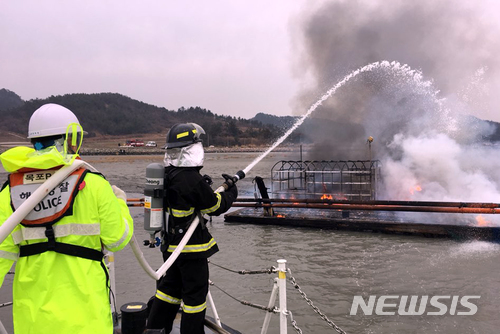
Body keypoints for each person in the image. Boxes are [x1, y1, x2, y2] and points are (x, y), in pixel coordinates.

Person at [0, 103, 134, 333]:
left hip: (33, 321)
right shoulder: (92, 183)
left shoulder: (10, 191)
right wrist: (120, 203)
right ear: (71, 139)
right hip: (87, 318)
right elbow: (117, 239)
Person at [146, 123, 238, 334]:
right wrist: (232, 192)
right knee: (194, 298)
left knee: (168, 290)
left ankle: (154, 329)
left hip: (170, 249)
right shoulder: (190, 178)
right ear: (191, 149)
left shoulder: (165, 173)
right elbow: (215, 206)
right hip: (191, 250)